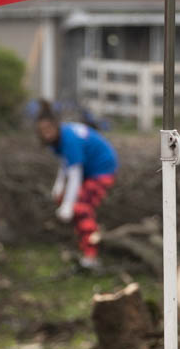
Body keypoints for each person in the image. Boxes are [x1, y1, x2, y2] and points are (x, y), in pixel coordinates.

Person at [35, 100, 119, 270]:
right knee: (70, 204)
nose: (47, 134)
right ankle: (84, 246)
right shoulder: (59, 140)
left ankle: (91, 255)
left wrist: (68, 205)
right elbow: (65, 164)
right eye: (43, 131)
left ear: (56, 126)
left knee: (80, 207)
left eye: (49, 130)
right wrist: (59, 187)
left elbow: (75, 174)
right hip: (89, 172)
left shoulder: (69, 140)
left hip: (102, 171)